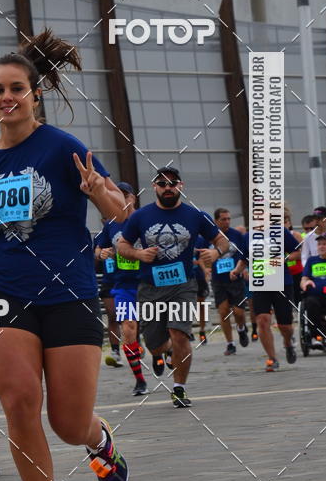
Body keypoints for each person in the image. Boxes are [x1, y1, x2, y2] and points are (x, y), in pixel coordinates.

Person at [0, 30, 128, 481]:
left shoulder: (63, 147)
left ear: (35, 94)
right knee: (19, 404)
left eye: (16, 88)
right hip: (5, 295)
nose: (7, 97)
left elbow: (122, 213)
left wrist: (98, 192)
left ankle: (100, 442)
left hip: (69, 292)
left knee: (68, 423)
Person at [117, 167, 229, 408]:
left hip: (183, 285)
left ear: (180, 186)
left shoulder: (195, 215)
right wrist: (138, 254)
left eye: (172, 183)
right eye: (162, 184)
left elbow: (222, 240)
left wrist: (215, 252)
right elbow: (122, 245)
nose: (167, 188)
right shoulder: (141, 216)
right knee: (153, 344)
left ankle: (179, 388)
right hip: (150, 287)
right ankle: (166, 351)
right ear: (154, 187)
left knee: (179, 334)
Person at [96, 184, 143, 394]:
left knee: (158, 336)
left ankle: (164, 352)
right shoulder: (111, 224)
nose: (122, 199)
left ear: (133, 197)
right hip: (123, 285)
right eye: (118, 195)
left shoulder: (145, 218)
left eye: (126, 195)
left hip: (149, 284)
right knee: (128, 327)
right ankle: (140, 380)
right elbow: (98, 248)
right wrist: (102, 253)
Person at [231, 227, 301, 371]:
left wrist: (283, 259)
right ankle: (272, 358)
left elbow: (297, 252)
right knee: (262, 320)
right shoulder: (248, 236)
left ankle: (288, 344)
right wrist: (236, 271)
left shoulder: (280, 232)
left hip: (282, 282)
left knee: (285, 326)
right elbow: (244, 258)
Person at [209, 208, 249, 356]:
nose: (227, 222)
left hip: (235, 277)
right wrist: (205, 268)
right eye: (223, 219)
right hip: (218, 279)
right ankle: (230, 343)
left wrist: (243, 269)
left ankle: (241, 328)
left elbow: (244, 254)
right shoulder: (210, 235)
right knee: (223, 311)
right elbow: (202, 254)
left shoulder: (236, 235)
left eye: (228, 219)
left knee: (239, 312)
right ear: (216, 221)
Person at [94, 225, 121, 367]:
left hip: (129, 280)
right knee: (112, 315)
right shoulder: (101, 235)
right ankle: (115, 351)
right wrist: (101, 255)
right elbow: (95, 257)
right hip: (109, 281)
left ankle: (135, 342)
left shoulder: (131, 225)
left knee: (130, 317)